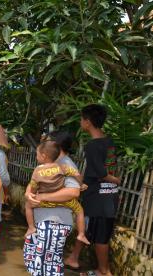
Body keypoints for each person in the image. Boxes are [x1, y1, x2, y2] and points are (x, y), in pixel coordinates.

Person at [65, 104, 121, 276]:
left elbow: (101, 172)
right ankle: (78, 260)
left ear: (88, 122)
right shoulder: (109, 141)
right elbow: (109, 166)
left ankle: (104, 271)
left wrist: (115, 180)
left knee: (100, 236)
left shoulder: (92, 145)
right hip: (107, 195)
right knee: (92, 230)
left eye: (82, 119)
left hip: (98, 197)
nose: (81, 122)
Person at [23, 135, 82, 276]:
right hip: (47, 221)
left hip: (54, 222)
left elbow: (73, 192)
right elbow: (32, 186)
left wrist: (42, 197)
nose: (44, 140)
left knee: (50, 263)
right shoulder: (60, 165)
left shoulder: (65, 165)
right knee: (42, 261)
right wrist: (28, 194)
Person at [24, 141, 90, 246]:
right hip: (65, 202)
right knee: (80, 211)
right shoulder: (62, 167)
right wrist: (80, 184)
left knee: (28, 205)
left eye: (37, 154)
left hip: (43, 201)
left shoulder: (37, 171)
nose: (36, 157)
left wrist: (30, 194)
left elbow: (33, 186)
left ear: (43, 156)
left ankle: (31, 228)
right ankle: (81, 234)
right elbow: (77, 174)